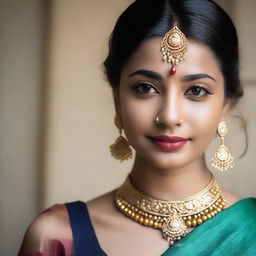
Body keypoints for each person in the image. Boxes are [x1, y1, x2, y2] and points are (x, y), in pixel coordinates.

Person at [18, 0, 256, 255]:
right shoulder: (56, 237)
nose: (169, 116)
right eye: (145, 88)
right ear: (117, 98)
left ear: (225, 104)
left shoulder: (250, 234)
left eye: (196, 90)